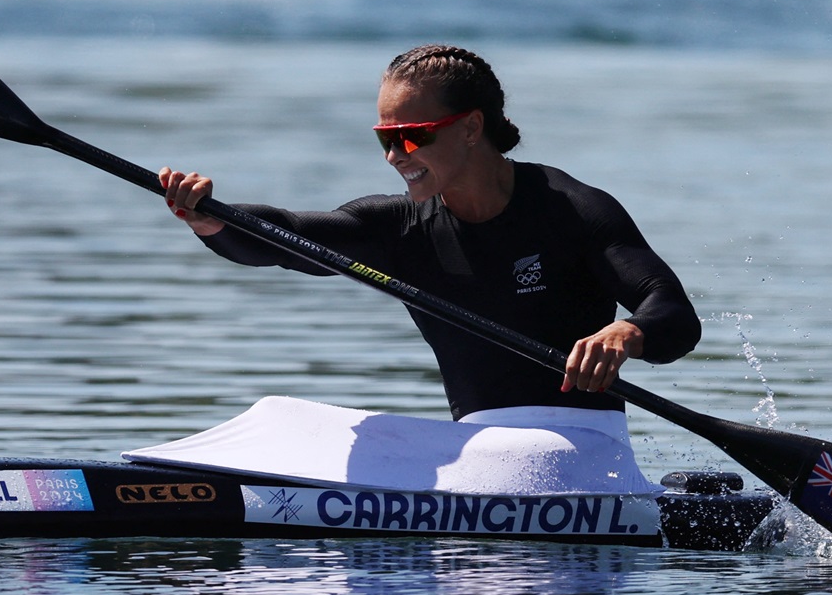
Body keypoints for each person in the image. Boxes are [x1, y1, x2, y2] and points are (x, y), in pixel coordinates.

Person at [159, 44, 700, 425]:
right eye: (385, 140)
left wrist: (626, 335)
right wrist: (213, 219)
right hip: (478, 449)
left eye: (412, 137)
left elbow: (674, 315)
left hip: (584, 445)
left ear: (470, 127)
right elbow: (293, 238)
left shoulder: (572, 210)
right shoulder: (399, 228)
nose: (396, 157)